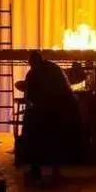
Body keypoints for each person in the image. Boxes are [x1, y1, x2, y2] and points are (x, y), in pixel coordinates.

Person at [20, 51, 83, 182]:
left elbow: (29, 96)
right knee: (55, 142)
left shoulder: (33, 73)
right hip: (59, 113)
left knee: (35, 141)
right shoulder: (54, 68)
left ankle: (35, 171)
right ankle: (55, 171)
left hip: (43, 114)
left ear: (32, 62)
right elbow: (66, 91)